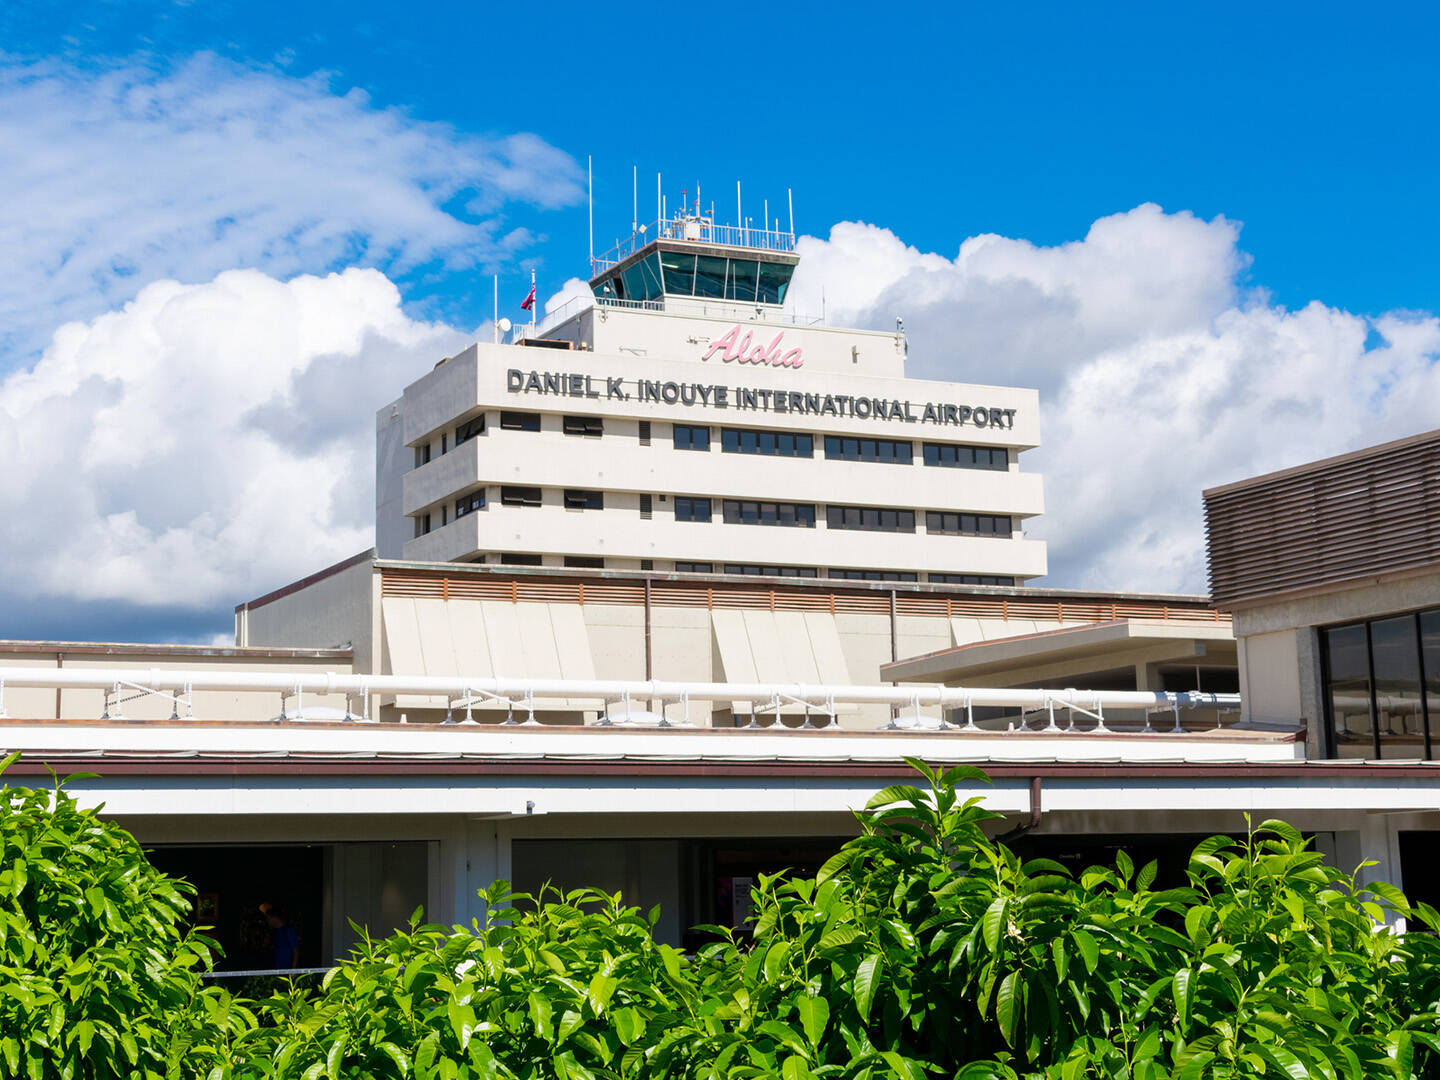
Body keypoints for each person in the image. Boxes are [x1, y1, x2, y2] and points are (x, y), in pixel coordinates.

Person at [265, 904, 300, 970]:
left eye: (268, 918)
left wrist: (294, 969)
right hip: (279, 970)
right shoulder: (275, 933)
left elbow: (296, 950)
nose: (267, 921)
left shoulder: (289, 930)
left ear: (275, 918)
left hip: (289, 970)